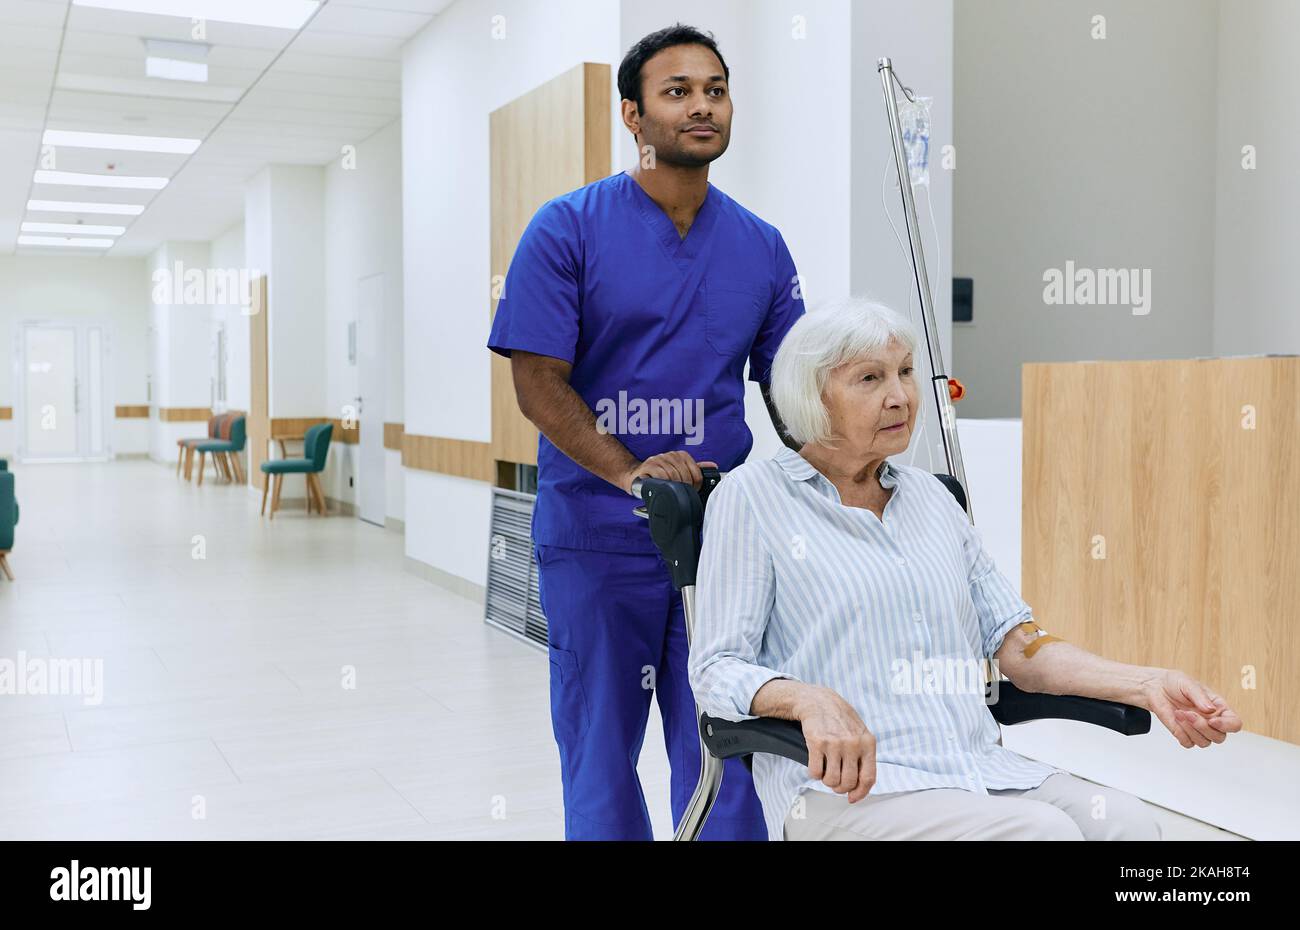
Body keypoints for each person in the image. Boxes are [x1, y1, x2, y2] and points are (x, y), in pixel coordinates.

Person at [689, 297, 1243, 841]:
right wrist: (807, 698)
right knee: (1041, 834)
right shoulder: (753, 498)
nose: (900, 396)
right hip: (852, 791)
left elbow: (1019, 646)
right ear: (814, 395)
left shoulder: (932, 498)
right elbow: (717, 666)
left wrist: (1146, 684)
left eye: (906, 372)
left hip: (976, 771)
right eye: (870, 379)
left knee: (1125, 823)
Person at [487, 23, 805, 840]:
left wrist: (876, 400)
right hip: (600, 537)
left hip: (723, 538)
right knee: (600, 754)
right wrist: (629, 474)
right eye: (677, 91)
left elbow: (794, 387)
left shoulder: (761, 247)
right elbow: (537, 382)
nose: (702, 106)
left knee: (729, 748)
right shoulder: (567, 229)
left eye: (716, 89)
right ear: (633, 114)